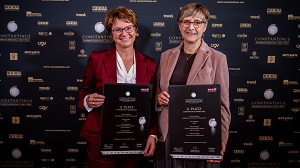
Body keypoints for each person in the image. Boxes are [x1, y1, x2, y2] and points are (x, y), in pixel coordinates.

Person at [78, 6, 159, 168]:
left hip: (135, 135)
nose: (124, 33)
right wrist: (88, 100)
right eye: (117, 29)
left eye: (128, 28)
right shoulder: (97, 59)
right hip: (101, 136)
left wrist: (153, 134)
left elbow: (153, 103)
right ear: (111, 34)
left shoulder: (150, 63)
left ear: (136, 31)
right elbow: (84, 91)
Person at [155, 3, 231, 168]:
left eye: (197, 22)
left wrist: (221, 139)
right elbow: (158, 91)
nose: (191, 27)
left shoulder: (218, 58)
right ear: (179, 25)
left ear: (205, 27)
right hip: (169, 135)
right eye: (186, 22)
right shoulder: (166, 56)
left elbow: (223, 106)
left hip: (202, 136)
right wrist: (159, 98)